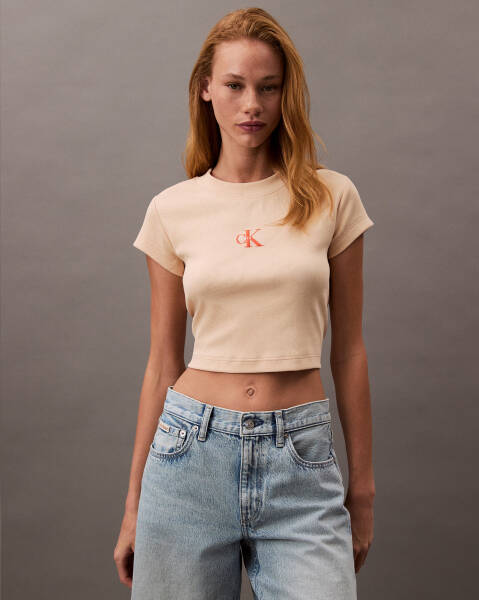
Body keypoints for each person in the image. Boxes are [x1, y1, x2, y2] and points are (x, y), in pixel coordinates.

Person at [114, 7, 375, 599]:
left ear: (287, 94)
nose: (251, 104)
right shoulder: (172, 209)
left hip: (300, 461)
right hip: (188, 459)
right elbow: (162, 363)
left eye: (268, 87)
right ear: (206, 89)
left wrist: (362, 488)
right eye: (234, 85)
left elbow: (350, 352)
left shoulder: (332, 197)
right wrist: (133, 505)